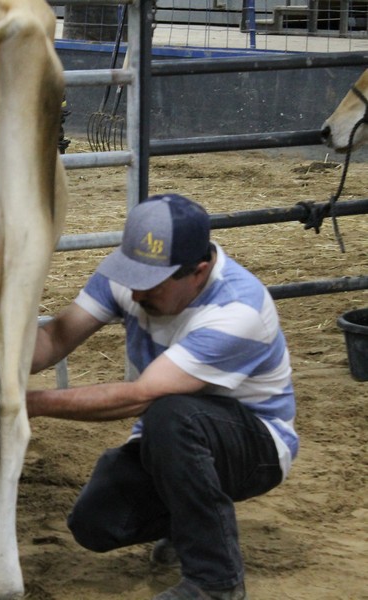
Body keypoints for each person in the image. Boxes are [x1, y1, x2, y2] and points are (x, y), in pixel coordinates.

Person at [27, 194, 298, 600]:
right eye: (131, 275)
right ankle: (188, 522)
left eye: (150, 283)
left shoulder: (237, 309)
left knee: (171, 414)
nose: (135, 294)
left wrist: (27, 404)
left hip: (256, 445)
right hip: (169, 439)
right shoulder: (133, 279)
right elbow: (52, 339)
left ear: (198, 271)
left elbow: (140, 396)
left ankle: (216, 581)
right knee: (95, 524)